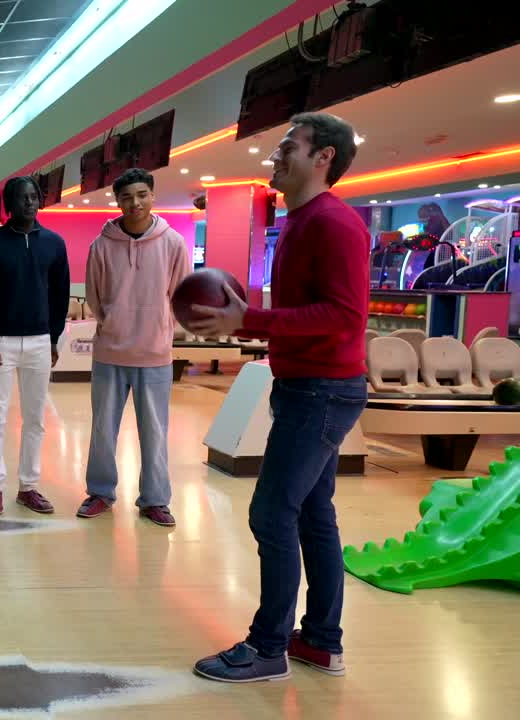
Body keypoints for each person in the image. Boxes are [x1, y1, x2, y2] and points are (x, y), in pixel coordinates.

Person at [190, 113, 369, 682]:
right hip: (307, 385)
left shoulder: (334, 223)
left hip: (322, 390)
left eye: (289, 146)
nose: (275, 155)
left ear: (323, 159)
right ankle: (319, 641)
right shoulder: (300, 220)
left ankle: (268, 648)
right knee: (314, 514)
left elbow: (344, 316)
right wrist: (248, 325)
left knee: (272, 513)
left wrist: (252, 320)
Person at [79, 168, 189, 528]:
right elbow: (95, 297)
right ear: (118, 201)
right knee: (102, 430)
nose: (135, 203)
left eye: (141, 195)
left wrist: (159, 328)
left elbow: (180, 294)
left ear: (152, 196)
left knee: (156, 432)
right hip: (111, 353)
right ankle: (100, 492)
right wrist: (113, 323)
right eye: (127, 197)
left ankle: (155, 500)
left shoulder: (172, 243)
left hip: (155, 355)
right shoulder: (102, 245)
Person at [0, 175, 71, 516]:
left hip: (41, 342)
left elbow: (59, 295)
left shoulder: (54, 244)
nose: (29, 202)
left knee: (35, 418)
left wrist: (54, 338)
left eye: (33, 196)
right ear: (8, 205)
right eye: (21, 197)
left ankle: (28, 486)